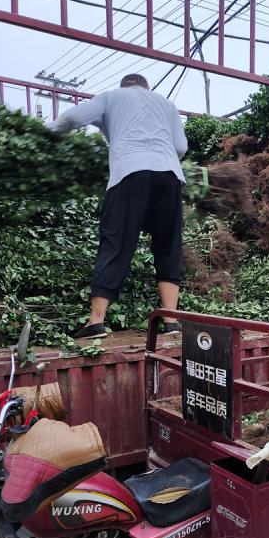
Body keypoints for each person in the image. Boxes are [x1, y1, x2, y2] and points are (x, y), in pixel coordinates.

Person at [47, 74, 188, 339]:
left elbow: (73, 119)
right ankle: (171, 320)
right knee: (168, 245)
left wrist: (50, 131)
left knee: (116, 242)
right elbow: (180, 147)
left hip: (129, 173)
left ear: (125, 86)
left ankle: (96, 321)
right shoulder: (166, 104)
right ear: (146, 87)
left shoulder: (111, 97)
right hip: (169, 176)